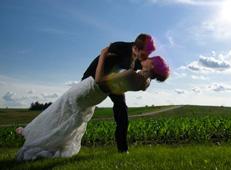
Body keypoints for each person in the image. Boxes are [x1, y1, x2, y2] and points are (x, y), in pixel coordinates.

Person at [15, 49, 170, 161]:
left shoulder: (131, 74)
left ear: (152, 67)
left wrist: (103, 54)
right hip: (96, 96)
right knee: (66, 117)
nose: (146, 59)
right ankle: (40, 136)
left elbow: (99, 80)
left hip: (90, 88)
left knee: (58, 111)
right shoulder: (145, 83)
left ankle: (33, 134)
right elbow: (125, 79)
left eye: (151, 60)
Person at [81, 33, 155, 153]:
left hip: (113, 83)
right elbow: (102, 61)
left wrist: (147, 79)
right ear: (135, 48)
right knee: (79, 110)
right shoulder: (119, 47)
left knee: (122, 111)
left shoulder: (139, 60)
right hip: (94, 78)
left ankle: (123, 149)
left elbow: (146, 74)